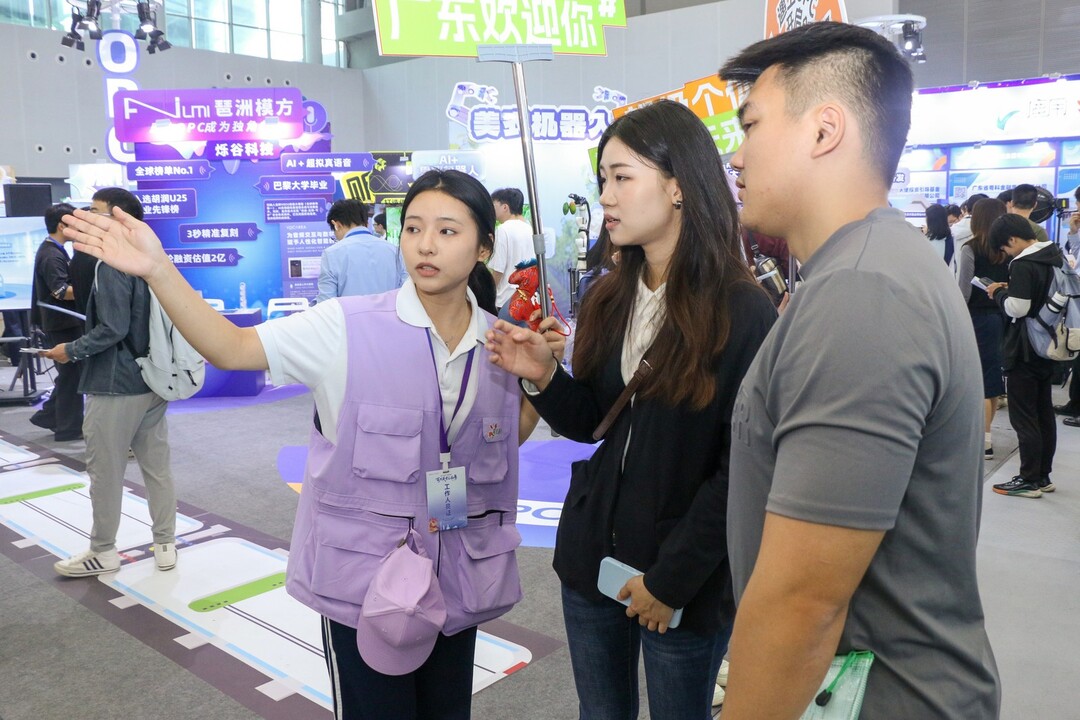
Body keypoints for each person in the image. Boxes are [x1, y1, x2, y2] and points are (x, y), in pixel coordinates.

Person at [62, 169, 564, 720]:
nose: (425, 245)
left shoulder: (498, 341)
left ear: (484, 247)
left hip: (459, 576)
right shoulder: (345, 326)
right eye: (413, 228)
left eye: (447, 231)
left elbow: (497, 448)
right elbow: (230, 347)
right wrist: (159, 269)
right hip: (366, 584)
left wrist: (543, 376)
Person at [718, 21, 999, 718]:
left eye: (751, 125)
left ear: (824, 130)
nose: (736, 154)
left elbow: (805, 603)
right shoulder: (866, 268)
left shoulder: (861, 290)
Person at [485, 99, 776, 720]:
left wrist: (670, 583)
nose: (606, 197)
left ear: (677, 186)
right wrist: (543, 376)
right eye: (603, 179)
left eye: (622, 177)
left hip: (683, 576)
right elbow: (594, 421)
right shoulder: (610, 295)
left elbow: (744, 469)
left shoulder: (741, 309)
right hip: (593, 557)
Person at [43, 188, 180, 577]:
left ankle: (103, 551)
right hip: (152, 376)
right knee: (157, 467)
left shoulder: (112, 265)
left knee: (105, 472)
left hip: (115, 382)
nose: (87, 215)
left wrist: (71, 349)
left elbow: (113, 328)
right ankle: (165, 543)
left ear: (119, 219)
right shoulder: (151, 259)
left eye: (95, 210)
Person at [986, 213, 1061, 497]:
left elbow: (1018, 308)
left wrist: (998, 294)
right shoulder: (1053, 255)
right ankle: (1042, 476)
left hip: (1024, 348)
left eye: (1004, 248)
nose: (1005, 253)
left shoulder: (1022, 264)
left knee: (1024, 417)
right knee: (1043, 413)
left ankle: (1028, 478)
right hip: (1048, 345)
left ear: (1012, 239)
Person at [956, 198, 1009, 459]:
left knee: (979, 382)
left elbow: (963, 291)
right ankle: (986, 437)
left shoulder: (971, 248)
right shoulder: (1009, 249)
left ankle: (983, 441)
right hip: (1005, 317)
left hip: (977, 319)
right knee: (993, 378)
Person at [29, 202, 84, 441]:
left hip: (63, 321)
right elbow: (60, 291)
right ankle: (68, 428)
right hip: (63, 323)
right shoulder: (51, 254)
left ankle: (50, 416)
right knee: (71, 376)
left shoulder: (54, 251)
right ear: (62, 225)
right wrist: (92, 289)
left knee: (69, 375)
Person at [316, 199, 405, 303]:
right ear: (367, 223)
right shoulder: (394, 250)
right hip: (390, 313)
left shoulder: (332, 254)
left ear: (337, 225)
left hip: (348, 314)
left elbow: (326, 303)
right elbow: (405, 292)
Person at [488, 188, 535, 319]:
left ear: (505, 207)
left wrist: (488, 293)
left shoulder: (503, 230)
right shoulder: (531, 230)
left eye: (494, 205)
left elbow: (498, 269)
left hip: (506, 301)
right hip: (529, 300)